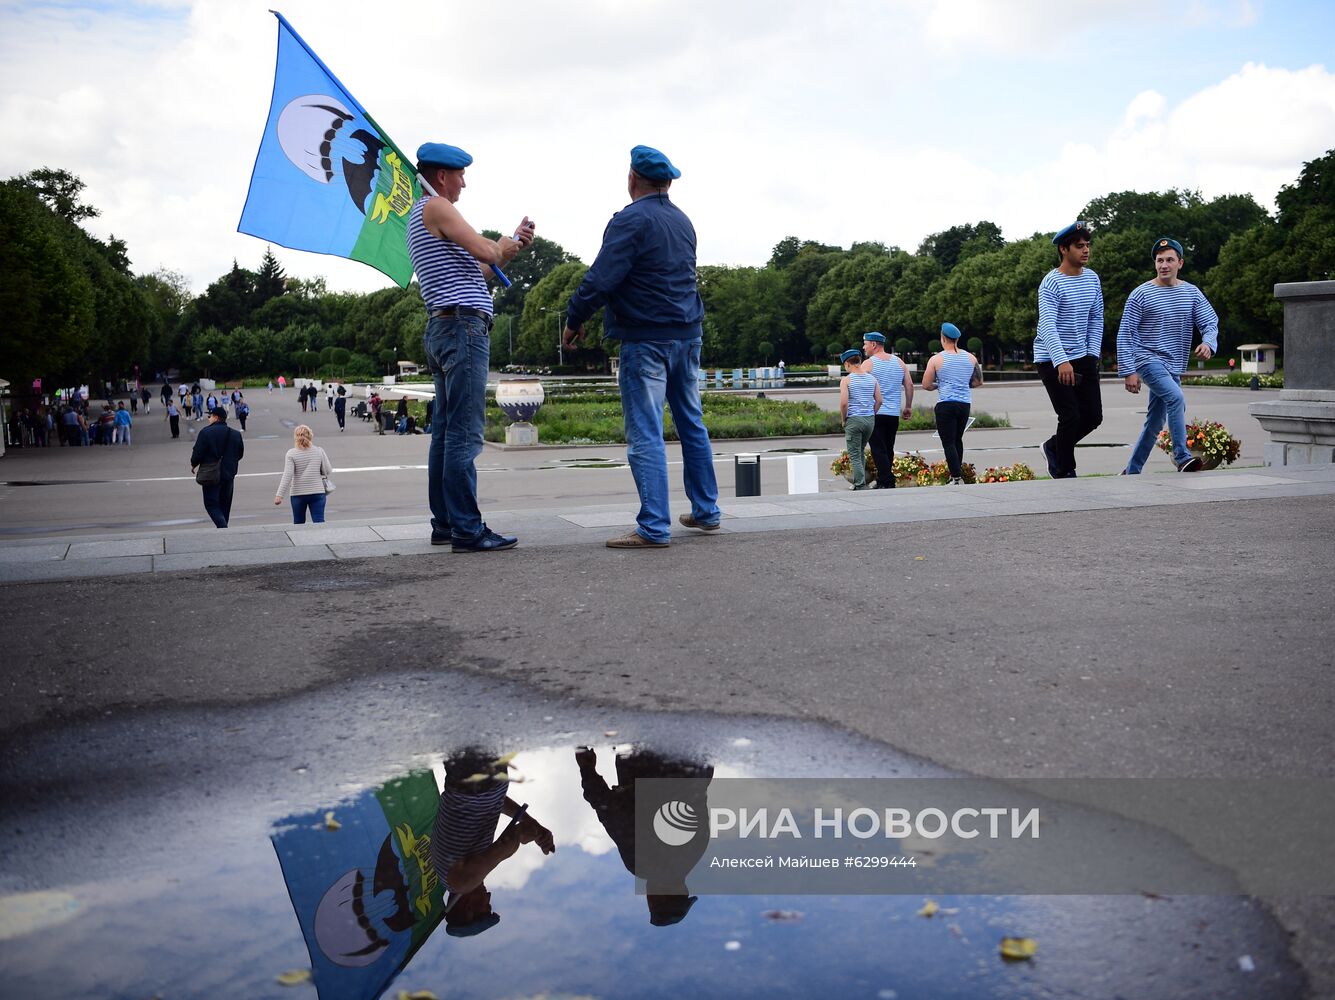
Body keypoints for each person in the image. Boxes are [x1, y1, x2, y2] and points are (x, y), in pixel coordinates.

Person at [563, 145, 721, 548]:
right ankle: (706, 511)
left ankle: (653, 525)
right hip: (688, 334)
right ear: (667, 182)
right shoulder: (683, 222)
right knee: (691, 422)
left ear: (632, 178)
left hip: (645, 338)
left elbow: (602, 278)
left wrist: (575, 317)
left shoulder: (629, 221)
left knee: (646, 431)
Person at [408, 140, 533, 553]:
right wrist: (503, 243)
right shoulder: (439, 207)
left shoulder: (418, 216)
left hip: (444, 326)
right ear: (441, 176)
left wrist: (508, 250)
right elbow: (487, 250)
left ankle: (445, 522)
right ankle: (467, 528)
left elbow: (480, 270)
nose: (464, 182)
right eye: (460, 174)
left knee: (444, 433)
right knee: (464, 433)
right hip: (463, 329)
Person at [1117, 237, 1220, 474]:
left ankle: (1132, 470)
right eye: (1160, 260)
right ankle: (1183, 457)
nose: (1164, 264)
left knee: (1154, 422)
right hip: (1147, 358)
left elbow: (1210, 322)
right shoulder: (1140, 294)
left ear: (1180, 263)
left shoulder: (1191, 293)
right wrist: (1128, 370)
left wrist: (1208, 343)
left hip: (1172, 365)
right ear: (1155, 264)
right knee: (1176, 399)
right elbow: (1125, 334)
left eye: (1169, 260)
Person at [432, 748, 554, 938]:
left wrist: (526, 833)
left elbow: (507, 843)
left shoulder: (462, 883)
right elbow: (496, 802)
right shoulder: (447, 874)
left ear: (469, 909)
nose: (488, 897)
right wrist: (531, 822)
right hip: (474, 784)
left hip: (475, 782)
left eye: (486, 907)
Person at [1034, 220, 1104, 479]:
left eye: (1087, 245)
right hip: (1051, 357)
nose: (1085, 250)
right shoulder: (1051, 283)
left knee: (1093, 416)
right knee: (1070, 416)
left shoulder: (1092, 278)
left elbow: (1096, 318)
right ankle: (1064, 469)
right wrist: (1061, 361)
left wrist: (1092, 354)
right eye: (1079, 246)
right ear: (1064, 249)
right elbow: (1048, 325)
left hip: (1083, 355)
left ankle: (1052, 446)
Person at [921, 322, 982, 485]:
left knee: (948, 442)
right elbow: (977, 381)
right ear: (957, 339)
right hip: (964, 404)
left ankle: (956, 477)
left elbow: (926, 384)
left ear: (942, 338)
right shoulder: (971, 358)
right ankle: (957, 475)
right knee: (957, 440)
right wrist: (962, 384)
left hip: (946, 404)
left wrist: (938, 385)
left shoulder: (936, 359)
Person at [861, 332, 915, 488]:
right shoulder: (899, 362)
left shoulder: (868, 364)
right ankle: (882, 481)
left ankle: (888, 480)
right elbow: (909, 385)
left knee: (878, 449)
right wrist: (908, 406)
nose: (863, 347)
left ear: (873, 345)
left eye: (865, 343)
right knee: (888, 449)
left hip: (875, 412)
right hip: (892, 414)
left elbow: (860, 386)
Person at [190, 407, 244, 528]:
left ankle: (223, 527)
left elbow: (197, 453)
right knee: (225, 504)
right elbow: (240, 454)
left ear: (216, 417)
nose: (208, 418)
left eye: (210, 416)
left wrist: (194, 464)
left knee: (211, 504)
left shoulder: (205, 432)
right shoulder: (235, 434)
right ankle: (223, 528)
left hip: (210, 474)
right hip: (229, 474)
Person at [839, 348, 882, 490]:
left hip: (854, 419)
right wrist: (871, 414)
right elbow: (879, 401)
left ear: (847, 364)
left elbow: (844, 403)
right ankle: (862, 481)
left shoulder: (847, 380)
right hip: (869, 420)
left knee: (854, 454)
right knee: (861, 450)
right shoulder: (872, 378)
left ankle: (860, 485)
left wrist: (844, 419)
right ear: (860, 361)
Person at [273, 424, 333, 524]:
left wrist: (279, 495)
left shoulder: (291, 453)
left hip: (298, 493)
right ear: (310, 436)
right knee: (319, 522)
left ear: (295, 437)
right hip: (317, 492)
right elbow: (328, 470)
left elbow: (287, 475)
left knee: (298, 523)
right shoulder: (319, 451)